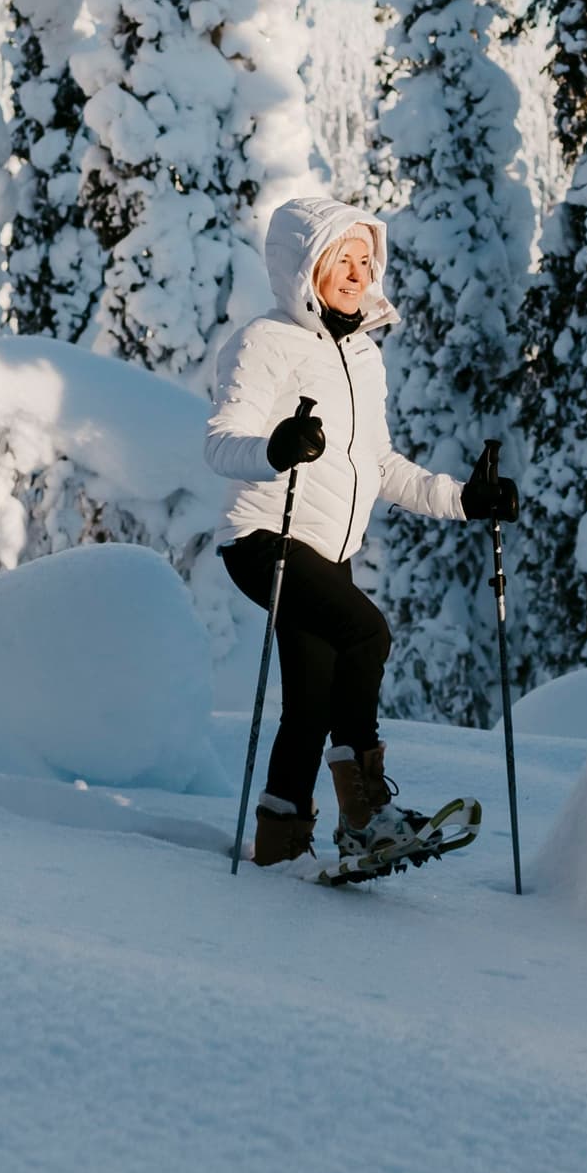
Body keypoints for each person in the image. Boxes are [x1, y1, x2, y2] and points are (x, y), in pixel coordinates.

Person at [204, 195, 517, 867]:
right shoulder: (267, 341)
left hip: (327, 550)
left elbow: (378, 464)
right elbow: (222, 442)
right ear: (301, 266)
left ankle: (280, 846)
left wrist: (464, 499)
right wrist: (276, 448)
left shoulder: (364, 355)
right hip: (264, 540)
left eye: (364, 258)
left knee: (310, 705)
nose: (356, 271)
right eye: (339, 258)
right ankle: (365, 815)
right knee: (366, 632)